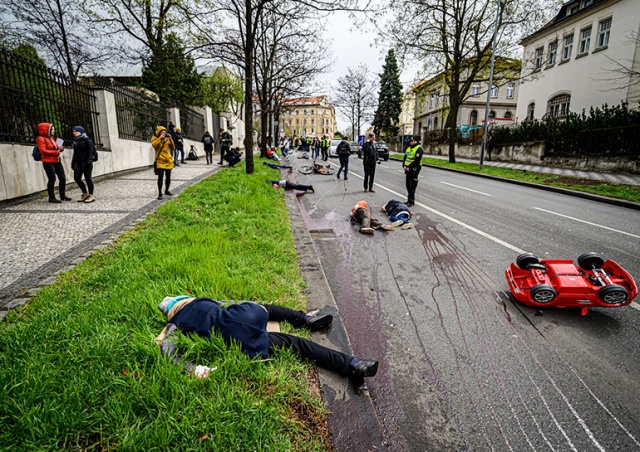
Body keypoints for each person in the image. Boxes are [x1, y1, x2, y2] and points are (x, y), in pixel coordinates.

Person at [155, 296, 379, 380]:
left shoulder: (175, 324)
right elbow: (230, 303)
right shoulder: (201, 300)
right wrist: (252, 306)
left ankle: (352, 366)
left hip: (240, 342)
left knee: (297, 345)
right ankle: (305, 319)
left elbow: (169, 349)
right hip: (248, 315)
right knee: (266, 309)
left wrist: (192, 367)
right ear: (184, 299)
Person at [36, 122, 71, 203]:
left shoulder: (51, 138)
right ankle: (51, 197)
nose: (54, 131)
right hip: (48, 161)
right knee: (52, 179)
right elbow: (43, 151)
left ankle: (62, 195)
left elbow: (55, 148)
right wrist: (56, 152)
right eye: (52, 129)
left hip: (57, 160)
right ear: (46, 130)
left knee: (62, 178)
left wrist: (60, 148)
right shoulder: (40, 139)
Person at [71, 126, 96, 203]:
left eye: (76, 131)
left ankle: (91, 195)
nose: (74, 132)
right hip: (78, 162)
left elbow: (90, 152)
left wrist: (89, 161)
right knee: (77, 178)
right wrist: (73, 163)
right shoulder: (76, 141)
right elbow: (75, 153)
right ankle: (84, 193)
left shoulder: (87, 141)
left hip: (86, 162)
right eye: (73, 131)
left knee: (88, 178)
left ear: (81, 132)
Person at [151, 125, 175, 200]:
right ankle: (160, 193)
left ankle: (167, 190)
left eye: (165, 132)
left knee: (168, 177)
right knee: (160, 177)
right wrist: (160, 138)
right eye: (162, 132)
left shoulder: (167, 139)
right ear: (159, 132)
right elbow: (154, 145)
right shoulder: (154, 138)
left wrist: (171, 139)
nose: (164, 134)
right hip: (160, 160)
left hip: (168, 160)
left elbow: (173, 148)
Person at [403, 135, 424, 207]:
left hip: (414, 169)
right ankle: (410, 200)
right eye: (411, 141)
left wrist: (409, 166)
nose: (412, 142)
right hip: (407, 169)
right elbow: (405, 157)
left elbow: (417, 160)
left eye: (414, 141)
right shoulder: (408, 148)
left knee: (412, 186)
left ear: (416, 141)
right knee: (408, 185)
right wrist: (404, 166)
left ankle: (410, 201)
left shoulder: (419, 149)